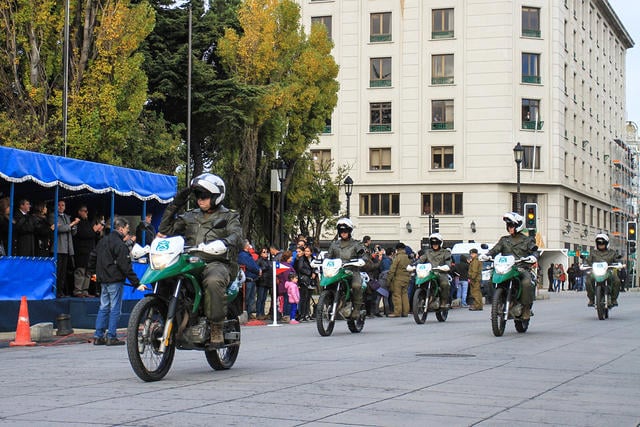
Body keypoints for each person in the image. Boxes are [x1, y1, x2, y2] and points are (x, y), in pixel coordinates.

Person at [157, 173, 243, 347]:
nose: (200, 200)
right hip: (190, 261)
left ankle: (216, 326)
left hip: (217, 262)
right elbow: (165, 229)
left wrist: (226, 242)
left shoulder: (229, 216)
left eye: (204, 196)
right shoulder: (190, 216)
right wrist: (176, 203)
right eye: (197, 196)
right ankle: (163, 314)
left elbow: (237, 236)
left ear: (216, 197)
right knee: (164, 275)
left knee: (213, 280)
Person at [89, 216, 146, 346]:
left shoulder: (103, 241)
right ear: (121, 229)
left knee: (103, 306)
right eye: (126, 228)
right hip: (115, 279)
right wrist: (136, 283)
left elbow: (93, 256)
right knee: (115, 308)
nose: (127, 231)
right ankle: (111, 336)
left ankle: (98, 335)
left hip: (103, 279)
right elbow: (125, 266)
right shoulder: (120, 245)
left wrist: (93, 272)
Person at [483, 212, 538, 320]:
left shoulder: (527, 240)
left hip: (521, 268)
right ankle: (497, 303)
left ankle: (526, 308)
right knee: (490, 280)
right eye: (508, 226)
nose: (510, 228)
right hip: (505, 268)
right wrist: (486, 255)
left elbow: (535, 250)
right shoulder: (504, 240)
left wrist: (533, 257)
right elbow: (495, 250)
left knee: (527, 283)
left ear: (518, 226)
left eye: (512, 226)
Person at [326, 217, 366, 319]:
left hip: (352, 270)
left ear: (349, 232)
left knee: (356, 285)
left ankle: (357, 308)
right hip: (338, 270)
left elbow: (363, 255)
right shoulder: (334, 245)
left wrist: (361, 260)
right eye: (341, 231)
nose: (343, 233)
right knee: (327, 283)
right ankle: (329, 303)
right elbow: (328, 256)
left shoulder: (356, 244)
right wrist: (321, 261)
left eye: (345, 231)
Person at [50, 200, 80, 297]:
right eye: (58, 205)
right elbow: (59, 229)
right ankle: (54, 291)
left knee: (63, 272)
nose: (61, 207)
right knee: (57, 272)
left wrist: (74, 226)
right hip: (58, 247)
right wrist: (71, 224)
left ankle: (60, 291)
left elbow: (72, 232)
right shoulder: (53, 216)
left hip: (67, 248)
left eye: (63, 205)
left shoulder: (67, 217)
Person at [73, 205, 103, 297]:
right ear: (79, 212)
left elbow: (93, 236)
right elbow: (83, 234)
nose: (86, 213)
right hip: (81, 251)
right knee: (81, 271)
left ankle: (85, 291)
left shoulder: (88, 222)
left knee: (88, 272)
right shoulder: (77, 222)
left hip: (90, 250)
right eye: (84, 211)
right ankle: (78, 290)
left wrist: (97, 232)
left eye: (87, 211)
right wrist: (94, 231)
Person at [415, 233, 452, 309]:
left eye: (436, 243)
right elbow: (421, 260)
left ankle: (443, 302)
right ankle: (421, 298)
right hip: (429, 272)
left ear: (440, 243)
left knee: (445, 284)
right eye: (433, 243)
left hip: (440, 272)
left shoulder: (446, 252)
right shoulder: (427, 252)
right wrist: (413, 265)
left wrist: (445, 267)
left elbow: (448, 262)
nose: (435, 245)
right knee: (419, 281)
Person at [584, 233, 622, 308]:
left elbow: (616, 260)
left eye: (602, 243)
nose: (601, 245)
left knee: (617, 280)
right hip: (595, 272)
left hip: (609, 271)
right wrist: (585, 263)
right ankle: (591, 299)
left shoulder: (612, 252)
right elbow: (588, 261)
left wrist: (618, 263)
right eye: (599, 243)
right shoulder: (593, 252)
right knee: (587, 281)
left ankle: (614, 299)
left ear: (607, 244)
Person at [238, 239, 261, 319]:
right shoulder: (243, 255)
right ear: (246, 246)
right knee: (247, 298)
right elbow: (250, 265)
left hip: (252, 279)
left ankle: (249, 313)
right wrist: (258, 270)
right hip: (248, 279)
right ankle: (246, 313)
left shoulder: (248, 255)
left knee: (251, 298)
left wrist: (258, 269)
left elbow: (253, 264)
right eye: (248, 245)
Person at [387, 242, 411, 317]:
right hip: (406, 278)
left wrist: (388, 279)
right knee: (405, 295)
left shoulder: (397, 258)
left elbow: (392, 269)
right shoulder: (407, 257)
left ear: (397, 249)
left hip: (398, 279)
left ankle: (397, 312)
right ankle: (405, 312)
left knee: (397, 295)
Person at [294, 245, 315, 321]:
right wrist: (310, 273)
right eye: (305, 251)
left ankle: (306, 314)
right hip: (303, 280)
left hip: (311, 280)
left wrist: (314, 272)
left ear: (311, 252)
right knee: (303, 298)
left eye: (308, 251)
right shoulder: (301, 259)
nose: (306, 253)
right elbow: (300, 268)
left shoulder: (313, 259)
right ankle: (302, 314)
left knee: (308, 297)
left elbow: (315, 267)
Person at [255, 247, 273, 320]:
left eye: (266, 252)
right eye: (264, 252)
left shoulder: (268, 261)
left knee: (264, 298)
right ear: (261, 253)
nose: (266, 253)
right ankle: (259, 313)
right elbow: (257, 269)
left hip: (267, 282)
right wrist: (264, 269)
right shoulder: (259, 260)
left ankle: (262, 313)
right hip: (261, 282)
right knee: (260, 298)